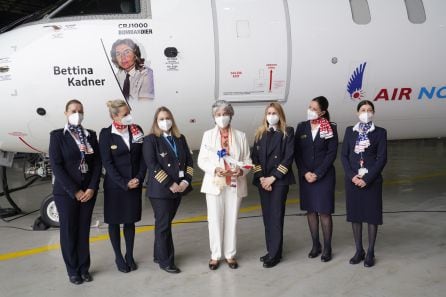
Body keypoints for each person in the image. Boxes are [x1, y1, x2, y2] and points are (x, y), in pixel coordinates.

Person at [48, 99, 102, 285]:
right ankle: (73, 270)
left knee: (83, 231)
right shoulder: (57, 136)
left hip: (88, 192)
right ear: (66, 113)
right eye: (73, 110)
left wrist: (92, 187)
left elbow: (96, 164)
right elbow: (56, 166)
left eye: (80, 110)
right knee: (69, 231)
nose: (77, 113)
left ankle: (84, 268)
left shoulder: (90, 135)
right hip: (66, 193)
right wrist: (75, 191)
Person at [197, 100, 251, 270]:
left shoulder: (241, 136)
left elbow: (248, 161)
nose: (222, 117)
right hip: (215, 184)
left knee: (231, 220)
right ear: (214, 117)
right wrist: (215, 169)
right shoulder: (207, 135)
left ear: (231, 115)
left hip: (234, 183)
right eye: (218, 115)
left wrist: (241, 171)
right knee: (214, 220)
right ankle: (215, 255)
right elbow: (202, 160)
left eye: (225, 114)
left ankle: (230, 254)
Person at [142, 106, 193, 273]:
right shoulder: (151, 140)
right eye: (161, 119)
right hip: (161, 191)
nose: (165, 121)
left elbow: (189, 163)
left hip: (179, 189)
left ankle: (158, 255)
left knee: (163, 224)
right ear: (156, 122)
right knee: (164, 225)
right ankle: (166, 262)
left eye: (167, 118)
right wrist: (170, 184)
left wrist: (185, 181)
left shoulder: (180, 138)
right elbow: (152, 165)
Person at [99, 100, 146, 273]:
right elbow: (107, 163)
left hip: (134, 183)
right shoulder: (106, 134)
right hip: (115, 186)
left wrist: (139, 178)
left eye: (129, 113)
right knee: (114, 222)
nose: (129, 117)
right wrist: (123, 182)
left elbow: (143, 158)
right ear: (114, 116)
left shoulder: (137, 130)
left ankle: (130, 255)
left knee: (130, 221)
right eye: (125, 114)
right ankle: (118, 256)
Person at [341, 100, 387, 267]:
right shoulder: (350, 131)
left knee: (372, 216)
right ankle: (359, 250)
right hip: (352, 181)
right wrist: (352, 176)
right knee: (356, 216)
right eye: (362, 109)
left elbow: (382, 159)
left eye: (369, 110)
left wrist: (367, 179)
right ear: (357, 112)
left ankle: (370, 251)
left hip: (372, 182)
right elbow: (344, 156)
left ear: (373, 113)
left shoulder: (380, 132)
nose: (366, 113)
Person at [251, 102, 295, 268]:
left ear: (280, 115)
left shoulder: (287, 132)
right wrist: (262, 178)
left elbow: (288, 157)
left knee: (276, 217)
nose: (271, 116)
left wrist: (273, 178)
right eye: (268, 113)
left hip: (279, 181)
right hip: (264, 181)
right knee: (267, 217)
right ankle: (271, 250)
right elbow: (255, 158)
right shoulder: (260, 133)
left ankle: (275, 255)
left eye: (274, 113)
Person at [294, 96, 338, 262]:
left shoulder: (330, 128)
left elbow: (331, 153)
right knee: (311, 211)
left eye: (314, 109)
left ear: (323, 112)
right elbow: (297, 153)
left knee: (324, 212)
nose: (310, 111)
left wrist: (318, 173)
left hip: (324, 176)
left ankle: (327, 247)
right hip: (306, 176)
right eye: (309, 107)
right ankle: (315, 244)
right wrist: (305, 172)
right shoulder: (302, 127)